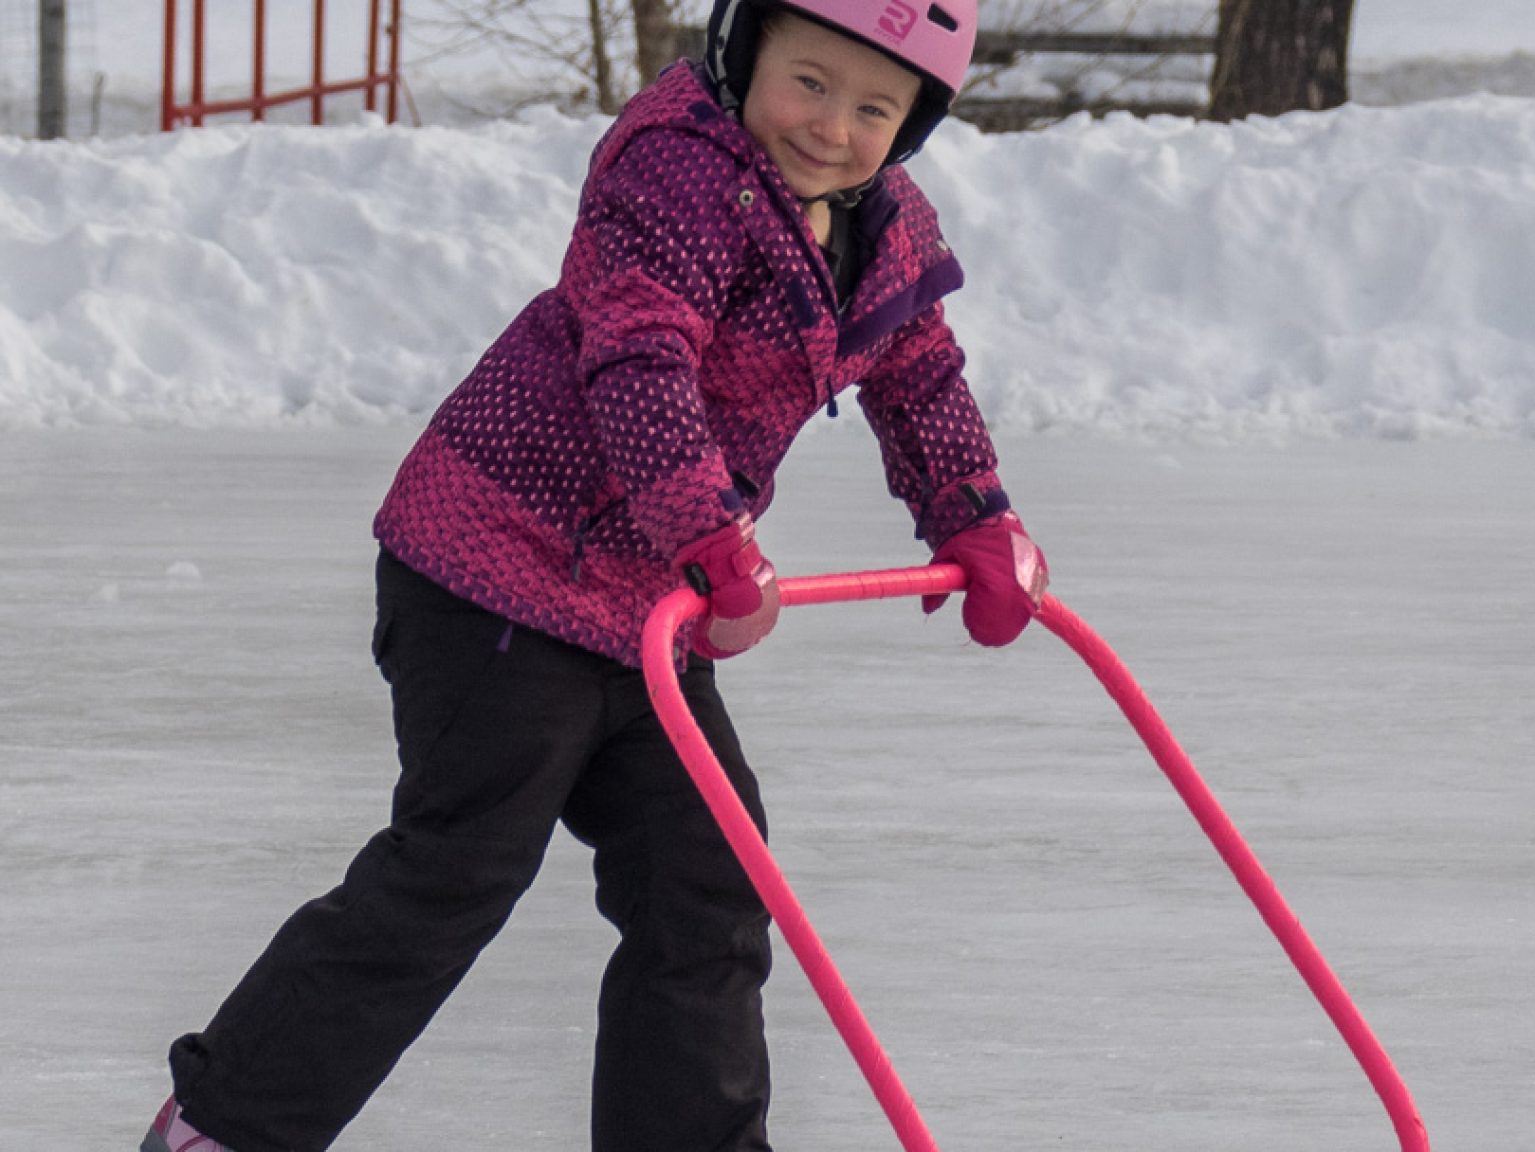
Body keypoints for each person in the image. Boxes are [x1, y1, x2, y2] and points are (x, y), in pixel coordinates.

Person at [143, 1, 1047, 1148]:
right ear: (743, 49)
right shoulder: (679, 177)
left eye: (874, 108)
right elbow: (638, 356)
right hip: (497, 569)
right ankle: (224, 1124)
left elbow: (917, 375)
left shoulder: (882, 229)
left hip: (646, 609)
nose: (830, 126)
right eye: (808, 81)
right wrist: (709, 532)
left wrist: (973, 514)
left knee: (707, 886)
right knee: (461, 864)